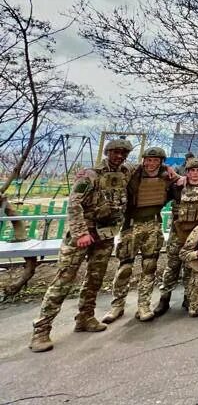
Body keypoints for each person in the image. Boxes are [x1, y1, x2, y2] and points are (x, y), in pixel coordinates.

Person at [29, 139, 133, 352]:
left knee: (95, 279)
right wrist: (81, 233)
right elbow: (74, 203)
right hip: (82, 235)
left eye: (124, 153)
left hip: (104, 235)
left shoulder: (125, 173)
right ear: (107, 152)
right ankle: (41, 330)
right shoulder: (90, 174)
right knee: (63, 281)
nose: (120, 156)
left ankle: (85, 317)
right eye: (116, 152)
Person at [103, 146, 171, 324]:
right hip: (131, 225)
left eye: (155, 161)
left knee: (149, 267)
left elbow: (178, 184)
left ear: (161, 162)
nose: (151, 164)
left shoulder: (166, 176)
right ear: (143, 160)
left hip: (153, 224)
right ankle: (117, 305)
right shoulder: (130, 173)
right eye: (148, 160)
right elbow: (110, 174)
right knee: (125, 268)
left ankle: (144, 305)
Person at [154, 157, 198, 316]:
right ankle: (164, 299)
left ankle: (188, 297)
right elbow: (161, 198)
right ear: (187, 172)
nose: (195, 174)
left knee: (191, 267)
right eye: (191, 171)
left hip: (196, 236)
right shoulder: (177, 186)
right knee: (172, 266)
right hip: (178, 233)